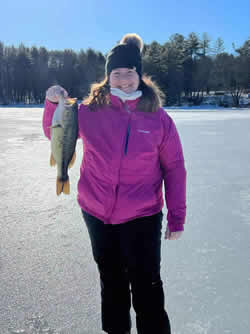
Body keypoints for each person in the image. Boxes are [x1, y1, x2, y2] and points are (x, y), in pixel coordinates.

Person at [42, 33, 186, 334]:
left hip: (143, 216)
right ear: (108, 77)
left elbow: (174, 168)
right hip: (96, 213)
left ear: (139, 75)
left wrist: (177, 216)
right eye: (116, 73)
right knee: (112, 282)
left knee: (147, 286)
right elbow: (56, 131)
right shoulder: (89, 111)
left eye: (129, 72)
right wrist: (52, 101)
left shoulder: (158, 119)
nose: (123, 80)